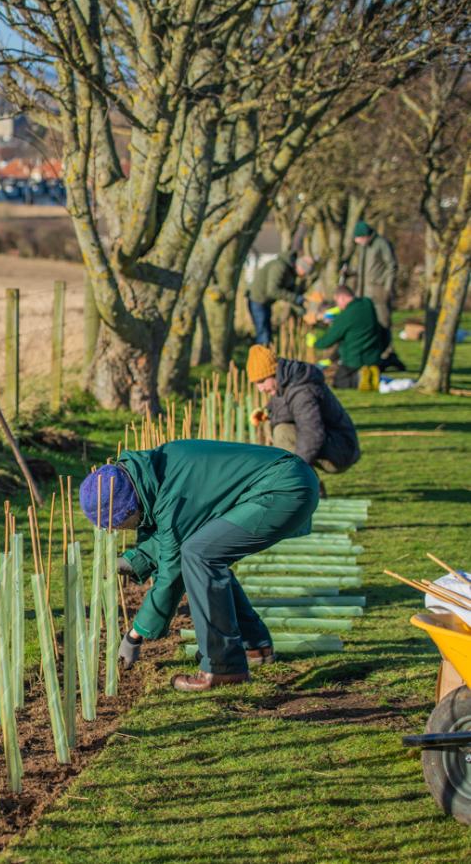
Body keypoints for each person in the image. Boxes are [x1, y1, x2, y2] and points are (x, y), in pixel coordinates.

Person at [82, 440, 319, 692]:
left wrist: (135, 634)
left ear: (130, 506)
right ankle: (254, 646)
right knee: (208, 553)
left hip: (283, 490)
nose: (121, 530)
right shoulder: (153, 474)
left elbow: (173, 573)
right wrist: (135, 559)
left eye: (121, 524)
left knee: (199, 555)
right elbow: (168, 531)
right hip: (283, 479)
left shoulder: (172, 493)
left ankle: (223, 667)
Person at [246, 345, 360, 475]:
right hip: (334, 443)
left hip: (342, 449)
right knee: (275, 426)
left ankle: (304, 486)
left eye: (261, 381)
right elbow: (282, 407)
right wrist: (266, 412)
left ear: (274, 373)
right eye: (256, 384)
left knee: (283, 432)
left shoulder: (302, 391)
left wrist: (294, 471)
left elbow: (312, 433)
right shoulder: (286, 382)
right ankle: (307, 484)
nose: (260, 389)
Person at [312, 285, 388, 389]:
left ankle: (360, 378)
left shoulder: (345, 316)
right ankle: (372, 374)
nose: (337, 305)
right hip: (373, 355)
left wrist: (315, 343)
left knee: (339, 381)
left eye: (337, 301)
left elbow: (328, 341)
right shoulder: (367, 303)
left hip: (355, 359)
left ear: (342, 298)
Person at [248, 252, 315, 346]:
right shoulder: (280, 267)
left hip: (266, 303)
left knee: (268, 333)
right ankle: (261, 358)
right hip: (257, 300)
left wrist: (301, 310)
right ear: (300, 267)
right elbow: (273, 291)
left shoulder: (290, 272)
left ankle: (267, 355)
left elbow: (288, 294)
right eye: (305, 272)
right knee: (263, 335)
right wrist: (296, 298)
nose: (304, 275)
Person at [347, 220, 397, 329]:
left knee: (382, 322)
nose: (357, 241)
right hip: (364, 291)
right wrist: (350, 272)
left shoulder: (381, 244)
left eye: (358, 238)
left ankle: (386, 345)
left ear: (364, 235)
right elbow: (364, 269)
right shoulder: (363, 247)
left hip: (378, 290)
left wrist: (387, 289)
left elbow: (391, 266)